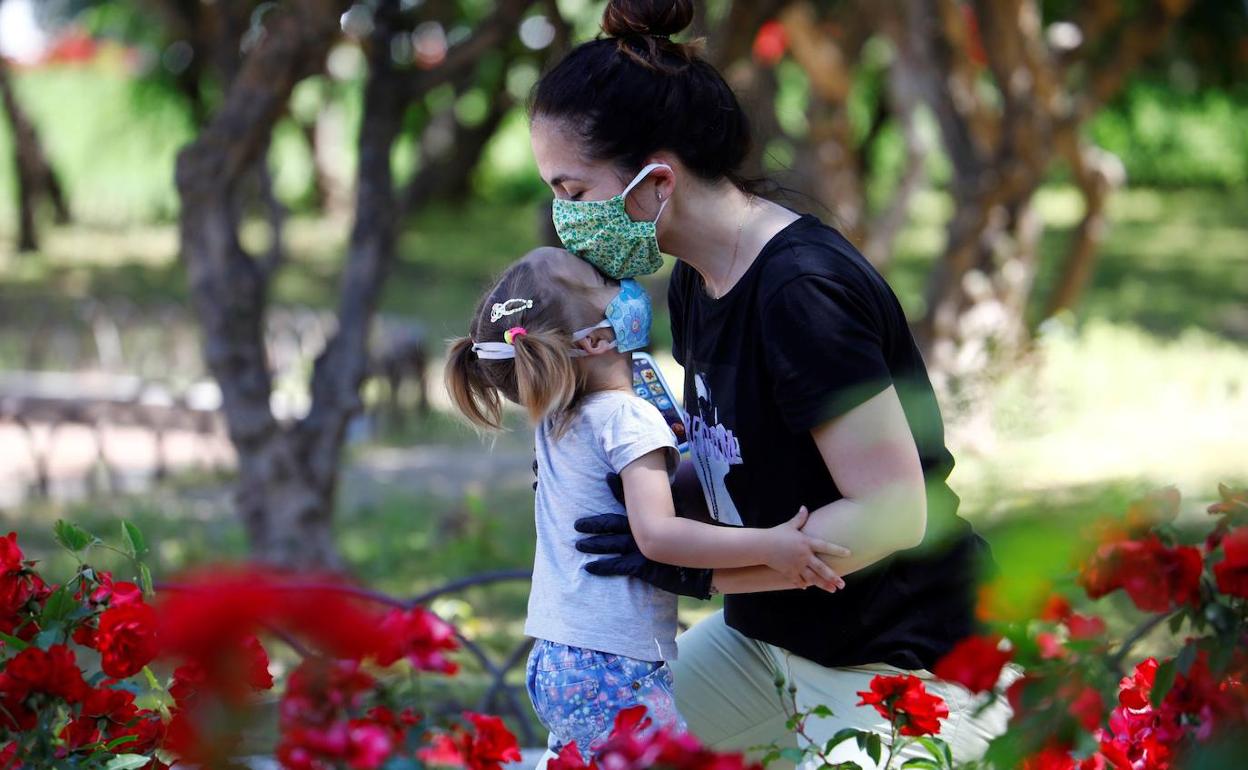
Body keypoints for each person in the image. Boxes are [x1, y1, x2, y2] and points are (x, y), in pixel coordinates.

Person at [527, 0, 1011, 766]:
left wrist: (697, 566)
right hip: (769, 642)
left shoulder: (799, 293)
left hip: (902, 662)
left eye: (574, 191)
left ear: (657, 180)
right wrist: (632, 482)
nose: (563, 219)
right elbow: (740, 454)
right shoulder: (696, 277)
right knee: (599, 749)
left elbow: (892, 514)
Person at [443, 246, 849, 761]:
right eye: (603, 280)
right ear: (595, 339)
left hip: (556, 656)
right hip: (614, 663)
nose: (624, 284)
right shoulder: (627, 418)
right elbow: (657, 536)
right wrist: (771, 546)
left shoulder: (559, 419)